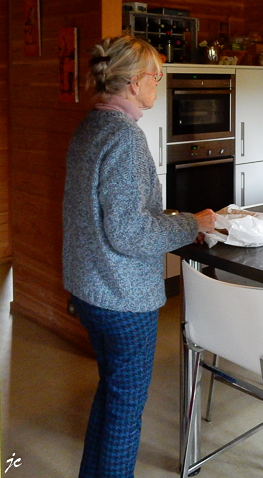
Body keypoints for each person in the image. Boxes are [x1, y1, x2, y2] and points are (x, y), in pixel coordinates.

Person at [62, 35, 216, 478]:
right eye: (155, 75)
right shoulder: (124, 137)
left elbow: (105, 214)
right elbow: (129, 232)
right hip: (121, 295)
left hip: (90, 287)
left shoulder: (91, 125)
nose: (159, 82)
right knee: (126, 408)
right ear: (131, 82)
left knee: (112, 394)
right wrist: (193, 223)